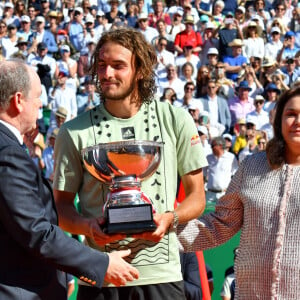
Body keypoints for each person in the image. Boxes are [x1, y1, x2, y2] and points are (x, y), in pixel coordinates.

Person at [53, 27, 207, 300]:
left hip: (162, 275)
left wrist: (168, 219)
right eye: (101, 65)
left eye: (118, 66)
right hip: (101, 276)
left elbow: (197, 198)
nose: (107, 74)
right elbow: (62, 209)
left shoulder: (176, 119)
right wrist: (89, 227)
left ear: (141, 70)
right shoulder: (73, 132)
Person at [0, 59, 139, 299]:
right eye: (37, 97)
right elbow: (37, 233)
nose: (40, 105)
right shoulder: (7, 153)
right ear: (18, 101)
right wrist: (102, 264)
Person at [178, 86, 300, 299]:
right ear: (279, 121)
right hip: (251, 293)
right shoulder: (252, 166)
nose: (298, 121)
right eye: (291, 114)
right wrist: (166, 232)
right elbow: (220, 224)